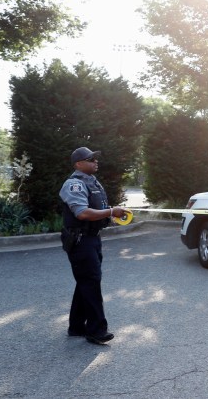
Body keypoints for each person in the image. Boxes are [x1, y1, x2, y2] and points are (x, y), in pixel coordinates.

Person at [59, 147, 129, 345]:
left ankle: (76, 327)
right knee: (91, 282)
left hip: (92, 239)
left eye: (96, 158)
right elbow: (82, 213)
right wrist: (110, 212)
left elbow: (97, 209)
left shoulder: (91, 182)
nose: (96, 161)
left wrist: (112, 214)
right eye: (91, 159)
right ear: (78, 164)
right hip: (81, 241)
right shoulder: (74, 184)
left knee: (86, 281)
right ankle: (96, 331)